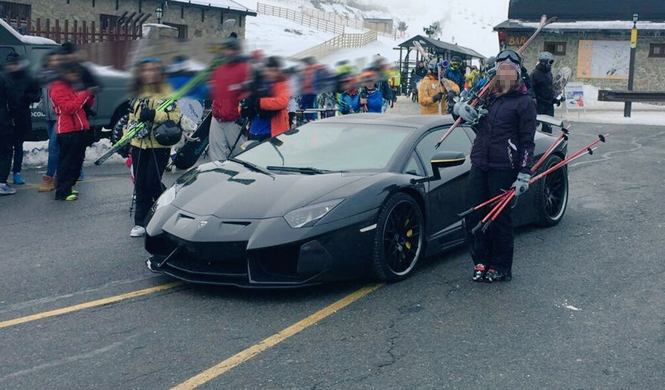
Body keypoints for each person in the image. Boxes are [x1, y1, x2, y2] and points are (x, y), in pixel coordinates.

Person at [453, 50, 536, 283]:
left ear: (517, 74)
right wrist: (460, 110)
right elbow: (459, 113)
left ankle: (501, 266)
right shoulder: (486, 95)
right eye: (502, 70)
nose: (506, 74)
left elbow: (527, 141)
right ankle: (480, 261)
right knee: (474, 216)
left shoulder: (524, 102)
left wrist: (524, 173)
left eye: (511, 70)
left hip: (504, 167)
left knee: (499, 219)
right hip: (480, 163)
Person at [126, 57, 182, 237]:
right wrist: (126, 138)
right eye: (145, 70)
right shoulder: (136, 92)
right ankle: (140, 221)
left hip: (159, 143)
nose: (148, 73)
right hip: (139, 143)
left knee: (152, 181)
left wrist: (154, 114)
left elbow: (174, 117)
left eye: (153, 70)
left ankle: (165, 211)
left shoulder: (167, 91)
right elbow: (131, 119)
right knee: (140, 183)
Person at [49, 62, 96, 201]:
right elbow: (69, 108)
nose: (75, 76)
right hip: (67, 130)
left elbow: (84, 104)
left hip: (79, 128)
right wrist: (85, 94)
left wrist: (90, 96)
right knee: (67, 163)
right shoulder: (57, 89)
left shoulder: (73, 86)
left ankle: (67, 186)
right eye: (72, 73)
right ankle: (62, 191)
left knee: (77, 162)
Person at [209, 38, 250, 162]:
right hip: (217, 117)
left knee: (240, 153)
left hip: (234, 119)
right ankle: (218, 177)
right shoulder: (219, 68)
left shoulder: (245, 68)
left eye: (232, 49)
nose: (229, 52)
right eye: (227, 49)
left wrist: (244, 112)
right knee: (216, 154)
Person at [5, 53, 41, 185]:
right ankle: (4, 173)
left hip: (21, 116)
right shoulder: (4, 77)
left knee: (18, 146)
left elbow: (37, 95)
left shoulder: (27, 78)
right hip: (6, 117)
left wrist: (25, 97)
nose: (12, 67)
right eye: (10, 64)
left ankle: (17, 172)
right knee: (5, 147)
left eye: (15, 64)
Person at [36, 50, 63, 192]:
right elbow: (41, 94)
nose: (54, 63)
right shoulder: (44, 76)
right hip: (48, 117)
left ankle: (49, 178)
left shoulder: (62, 76)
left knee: (53, 146)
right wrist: (41, 104)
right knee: (58, 147)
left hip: (59, 116)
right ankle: (67, 172)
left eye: (56, 60)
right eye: (51, 60)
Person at [247, 56, 290, 142]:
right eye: (269, 70)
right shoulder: (257, 84)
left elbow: (282, 101)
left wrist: (259, 101)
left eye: (274, 71)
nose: (271, 73)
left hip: (273, 132)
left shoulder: (282, 84)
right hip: (254, 131)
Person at [0, 64, 17, 195]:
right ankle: (1, 183)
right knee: (5, 150)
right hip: (2, 119)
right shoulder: (4, 78)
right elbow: (13, 100)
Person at [531, 51, 555, 133]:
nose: (551, 64)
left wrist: (555, 98)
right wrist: (533, 99)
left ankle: (547, 145)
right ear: (544, 62)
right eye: (550, 62)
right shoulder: (535, 74)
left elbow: (549, 88)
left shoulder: (548, 72)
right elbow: (530, 88)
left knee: (548, 129)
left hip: (548, 105)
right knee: (534, 128)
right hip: (539, 105)